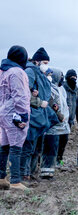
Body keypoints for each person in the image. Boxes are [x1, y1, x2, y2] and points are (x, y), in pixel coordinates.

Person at [21, 47, 57, 183]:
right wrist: (38, 101)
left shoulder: (41, 74)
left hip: (40, 114)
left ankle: (32, 173)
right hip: (32, 114)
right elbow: (25, 93)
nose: (46, 65)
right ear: (37, 61)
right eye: (45, 62)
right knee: (28, 146)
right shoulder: (30, 72)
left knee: (37, 147)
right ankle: (24, 175)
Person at [0, 46, 31, 191]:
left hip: (3, 112)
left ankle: (1, 177)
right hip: (14, 113)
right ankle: (15, 180)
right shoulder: (17, 72)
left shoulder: (3, 71)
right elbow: (20, 95)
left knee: (4, 146)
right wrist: (23, 114)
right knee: (16, 147)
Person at [41, 69, 70, 179]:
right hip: (51, 123)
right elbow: (52, 105)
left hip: (61, 123)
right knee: (49, 146)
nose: (62, 78)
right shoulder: (49, 88)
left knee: (55, 147)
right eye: (60, 76)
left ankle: (50, 170)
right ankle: (45, 171)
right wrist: (58, 115)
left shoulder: (61, 89)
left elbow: (63, 105)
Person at [58, 69, 78, 165]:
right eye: (72, 77)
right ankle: (54, 159)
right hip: (61, 118)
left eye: (75, 77)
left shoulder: (76, 89)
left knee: (64, 140)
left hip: (70, 120)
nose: (73, 79)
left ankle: (59, 158)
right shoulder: (63, 88)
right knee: (57, 140)